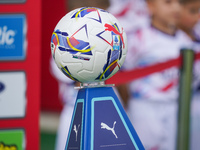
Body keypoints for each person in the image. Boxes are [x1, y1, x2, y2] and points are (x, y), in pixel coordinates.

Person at [119, 0, 192, 149]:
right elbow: (121, 75)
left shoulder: (185, 41)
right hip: (144, 109)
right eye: (168, 2)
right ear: (150, 6)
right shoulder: (138, 38)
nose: (176, 7)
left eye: (179, 2)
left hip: (175, 108)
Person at [50, 1, 111, 150]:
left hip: (106, 109)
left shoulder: (111, 44)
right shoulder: (62, 46)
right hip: (74, 110)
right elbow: (73, 77)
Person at [178, 0, 200, 149]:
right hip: (178, 106)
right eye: (192, 11)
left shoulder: (195, 36)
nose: (197, 17)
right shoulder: (175, 41)